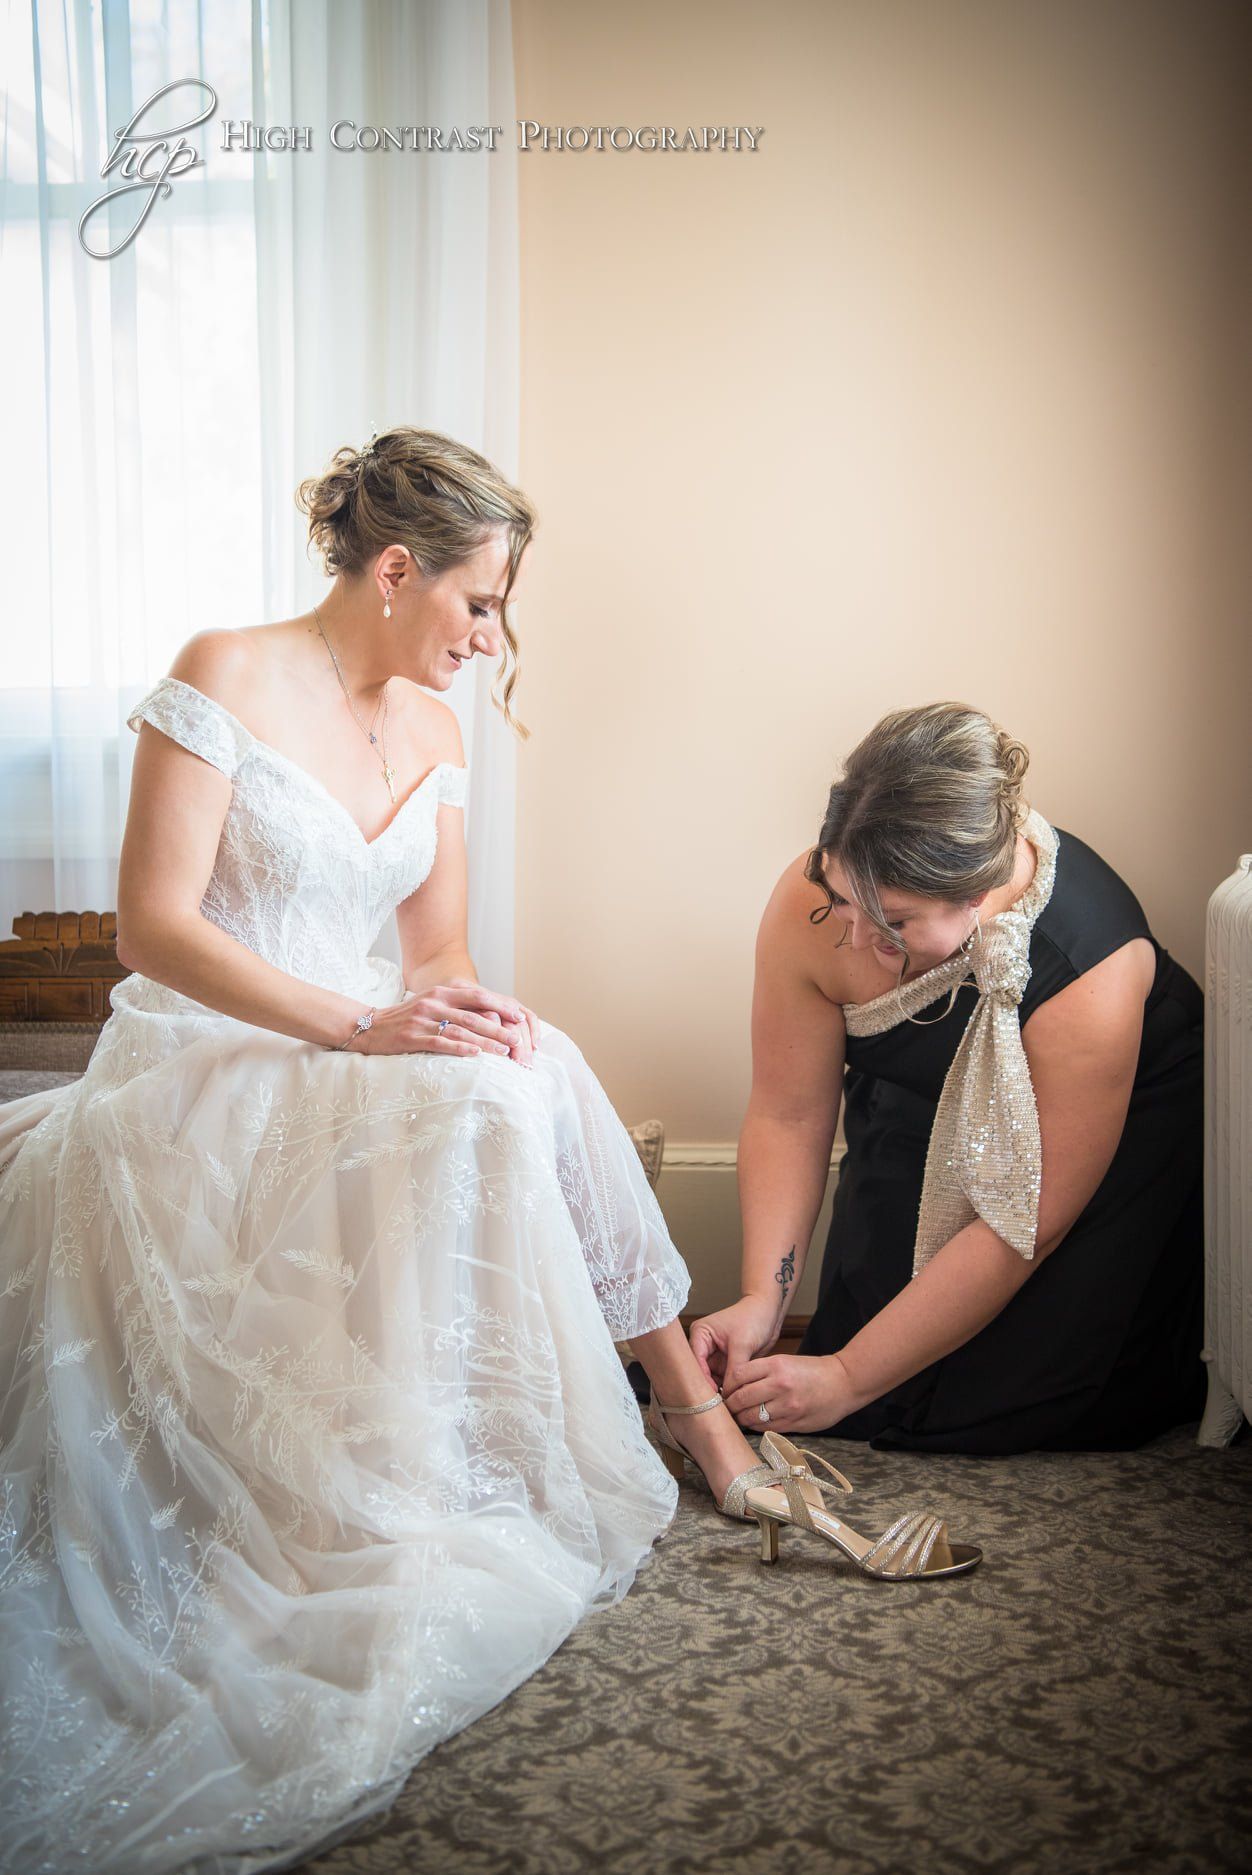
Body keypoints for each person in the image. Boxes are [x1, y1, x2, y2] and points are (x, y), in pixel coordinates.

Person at [0, 427, 787, 1875]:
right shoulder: (226, 671)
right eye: (480, 604)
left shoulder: (434, 731)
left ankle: (683, 1411)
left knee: (533, 1064)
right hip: (208, 1055)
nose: (490, 639)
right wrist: (365, 1027)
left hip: (358, 1036)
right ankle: (693, 1431)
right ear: (398, 569)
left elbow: (438, 953)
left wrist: (470, 1016)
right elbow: (152, 931)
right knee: (492, 1093)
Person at [692, 702, 1207, 1455]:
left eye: (894, 922)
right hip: (922, 1102)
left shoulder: (1090, 973)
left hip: (1106, 1140)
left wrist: (846, 1377)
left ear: (976, 896)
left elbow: (1023, 1227)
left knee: (1004, 1397)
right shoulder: (819, 904)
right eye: (843, 898)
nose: (855, 938)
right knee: (866, 1338)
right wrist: (763, 1300)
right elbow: (788, 1115)